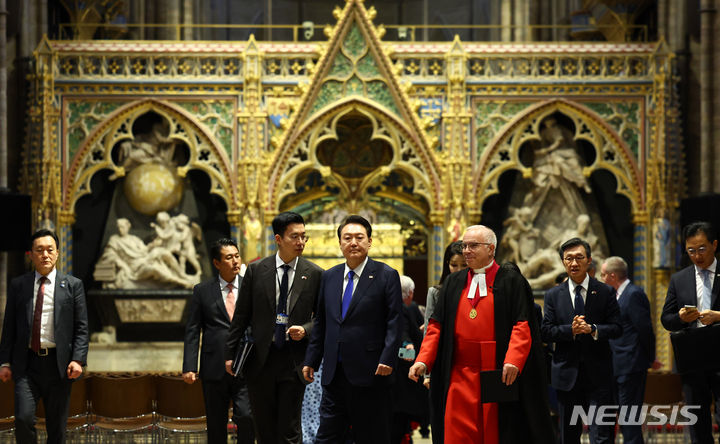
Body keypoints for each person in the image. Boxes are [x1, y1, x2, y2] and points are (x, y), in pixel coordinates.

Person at [409, 225, 554, 444]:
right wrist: (423, 360)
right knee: (457, 433)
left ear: (491, 249)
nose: (466, 250)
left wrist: (513, 360)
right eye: (465, 245)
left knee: (495, 433)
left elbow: (522, 324)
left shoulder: (511, 280)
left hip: (496, 371)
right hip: (458, 372)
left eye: (473, 245)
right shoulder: (453, 282)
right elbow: (435, 327)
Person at [302, 215, 403, 444]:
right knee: (327, 437)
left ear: (369, 242)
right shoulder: (329, 276)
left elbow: (394, 322)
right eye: (347, 238)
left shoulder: (386, 275)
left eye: (359, 237)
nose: (353, 242)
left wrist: (388, 358)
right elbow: (321, 323)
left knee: (370, 436)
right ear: (340, 243)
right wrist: (311, 359)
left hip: (371, 373)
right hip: (333, 374)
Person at [224, 212, 323, 444]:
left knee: (289, 430)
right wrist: (230, 354)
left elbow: (323, 318)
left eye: (304, 237)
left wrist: (306, 329)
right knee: (264, 428)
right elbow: (241, 316)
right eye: (294, 236)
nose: (300, 242)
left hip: (294, 359)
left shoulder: (315, 273)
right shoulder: (257, 271)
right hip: (260, 360)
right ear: (278, 239)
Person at [0, 229, 89, 444]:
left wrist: (78, 359)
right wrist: (4, 361)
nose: (45, 255)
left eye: (50, 250)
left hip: (59, 366)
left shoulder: (72, 286)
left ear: (58, 253)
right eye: (39, 250)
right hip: (26, 365)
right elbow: (9, 327)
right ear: (31, 254)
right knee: (22, 418)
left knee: (56, 427)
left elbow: (82, 327)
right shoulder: (18, 285)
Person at [541, 237, 622, 444]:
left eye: (579, 258)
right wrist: (572, 330)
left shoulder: (605, 291)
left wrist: (593, 329)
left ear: (589, 261)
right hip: (567, 376)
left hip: (599, 376)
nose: (574, 263)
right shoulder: (553, 295)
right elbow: (546, 331)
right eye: (569, 259)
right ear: (563, 262)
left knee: (601, 435)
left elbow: (617, 328)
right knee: (568, 436)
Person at [183, 238, 254, 443]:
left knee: (247, 417)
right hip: (214, 367)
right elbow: (193, 330)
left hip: (246, 364)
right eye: (229, 257)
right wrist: (189, 366)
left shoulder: (251, 287)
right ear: (216, 263)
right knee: (216, 423)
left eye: (237, 256)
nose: (235, 262)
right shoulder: (203, 291)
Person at [661, 221, 720, 444]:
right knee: (698, 421)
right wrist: (680, 318)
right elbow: (666, 320)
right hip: (693, 359)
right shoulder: (679, 279)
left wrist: (718, 316)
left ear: (714, 245)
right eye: (691, 251)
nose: (697, 256)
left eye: (702, 249)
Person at [600, 256, 657, 444]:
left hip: (631, 365)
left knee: (629, 418)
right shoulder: (616, 296)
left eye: (603, 275)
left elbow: (645, 329)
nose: (601, 279)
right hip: (618, 366)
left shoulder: (633, 294)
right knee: (623, 417)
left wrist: (649, 358)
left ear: (612, 275)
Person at [392, 275, 428, 443]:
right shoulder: (403, 308)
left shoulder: (394, 306)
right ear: (410, 293)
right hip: (402, 372)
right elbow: (404, 334)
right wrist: (408, 347)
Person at [424, 241, 466, 333]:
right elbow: (428, 329)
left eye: (464, 265)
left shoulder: (477, 290)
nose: (459, 270)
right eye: (454, 265)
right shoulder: (435, 292)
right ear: (447, 264)